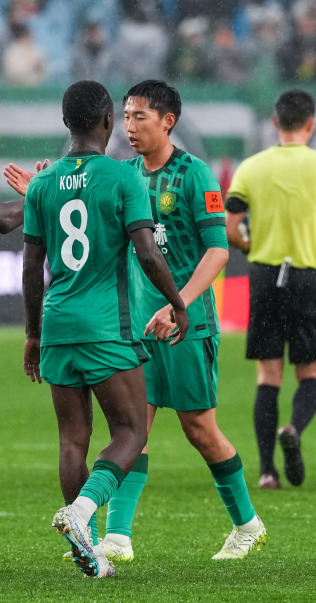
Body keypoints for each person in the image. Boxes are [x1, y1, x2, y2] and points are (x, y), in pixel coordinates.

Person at [68, 80, 264, 562]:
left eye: (140, 117)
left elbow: (218, 250)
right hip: (136, 328)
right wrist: (37, 194)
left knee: (200, 431)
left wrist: (180, 304)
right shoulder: (124, 174)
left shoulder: (195, 175)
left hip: (187, 326)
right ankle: (118, 536)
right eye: (126, 116)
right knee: (132, 428)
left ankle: (247, 525)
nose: (129, 127)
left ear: (167, 121)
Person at [22, 80, 188, 578]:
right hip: (105, 326)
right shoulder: (121, 177)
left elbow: (31, 265)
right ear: (109, 122)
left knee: (72, 440)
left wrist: (33, 333)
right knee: (132, 431)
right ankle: (82, 512)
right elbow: (147, 253)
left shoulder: (43, 183)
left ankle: (88, 550)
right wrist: (178, 303)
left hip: (57, 323)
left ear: (65, 122)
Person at [225, 90, 316, 490]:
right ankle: (293, 427)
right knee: (311, 371)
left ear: (275, 123)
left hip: (265, 275)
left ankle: (266, 471)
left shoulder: (251, 168)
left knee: (268, 374)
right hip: (310, 276)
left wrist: (249, 245)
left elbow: (230, 227)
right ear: (311, 124)